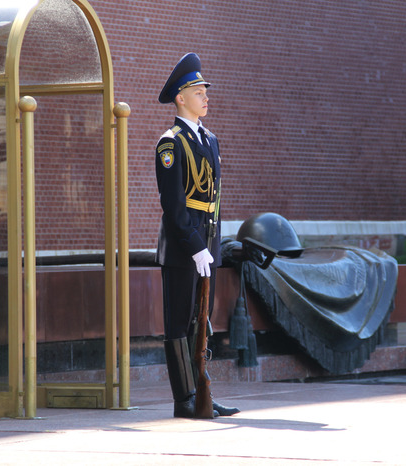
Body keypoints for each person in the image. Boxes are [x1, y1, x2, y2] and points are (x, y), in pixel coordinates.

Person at [155, 52, 239, 418]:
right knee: (178, 323)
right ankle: (184, 398)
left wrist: (211, 248)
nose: (206, 95)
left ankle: (202, 388)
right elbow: (174, 208)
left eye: (205, 89)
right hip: (182, 249)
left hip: (207, 246)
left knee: (200, 321)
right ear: (180, 97)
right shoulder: (170, 143)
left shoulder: (211, 140)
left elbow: (213, 201)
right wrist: (195, 248)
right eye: (198, 89)